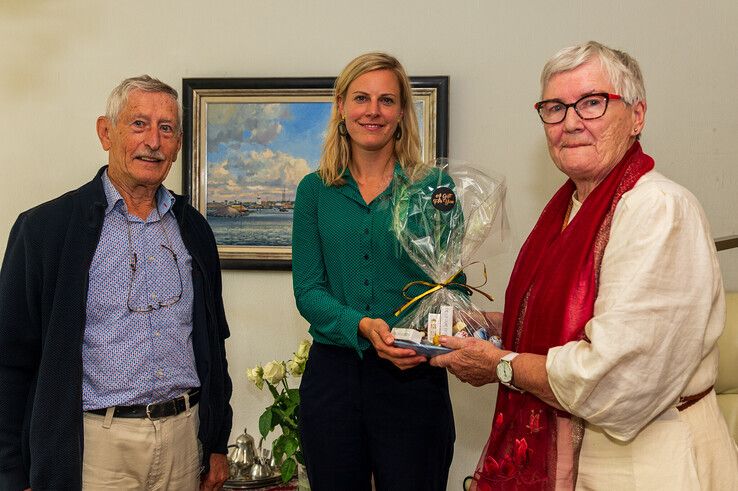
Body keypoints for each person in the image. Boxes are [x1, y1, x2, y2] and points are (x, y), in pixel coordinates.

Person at [432, 41, 738, 489]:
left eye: (592, 103)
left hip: (650, 463)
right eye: (554, 108)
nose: (570, 122)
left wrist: (501, 364)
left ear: (637, 116)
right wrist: (496, 326)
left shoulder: (658, 209)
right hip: (578, 458)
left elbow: (616, 376)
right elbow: (576, 326)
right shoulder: (569, 209)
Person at [0, 75, 233, 490]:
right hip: (94, 448)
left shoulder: (194, 229)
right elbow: (8, 359)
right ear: (106, 133)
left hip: (184, 441)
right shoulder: (44, 230)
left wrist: (216, 442)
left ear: (178, 144)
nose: (154, 141)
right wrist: (11, 472)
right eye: (139, 124)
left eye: (166, 129)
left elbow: (214, 344)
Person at [292, 52, 455, 490]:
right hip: (333, 381)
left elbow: (452, 286)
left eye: (387, 100)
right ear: (341, 106)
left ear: (402, 112)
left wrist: (424, 341)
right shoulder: (314, 191)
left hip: (412, 374)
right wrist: (360, 325)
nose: (373, 111)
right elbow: (308, 290)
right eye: (361, 98)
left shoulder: (434, 189)